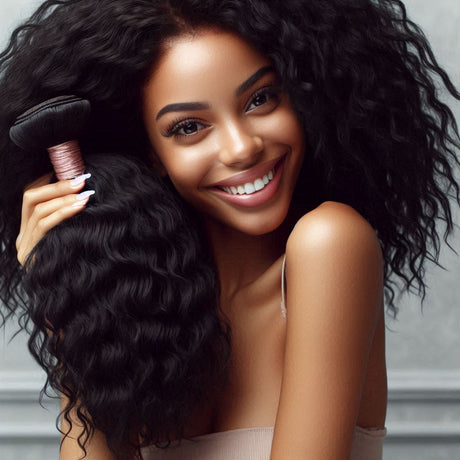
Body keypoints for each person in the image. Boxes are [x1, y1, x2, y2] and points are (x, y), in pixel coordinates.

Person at [0, 0, 459, 459]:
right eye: (189, 127)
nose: (241, 148)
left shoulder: (330, 242)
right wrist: (69, 299)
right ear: (152, 156)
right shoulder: (147, 311)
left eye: (260, 99)